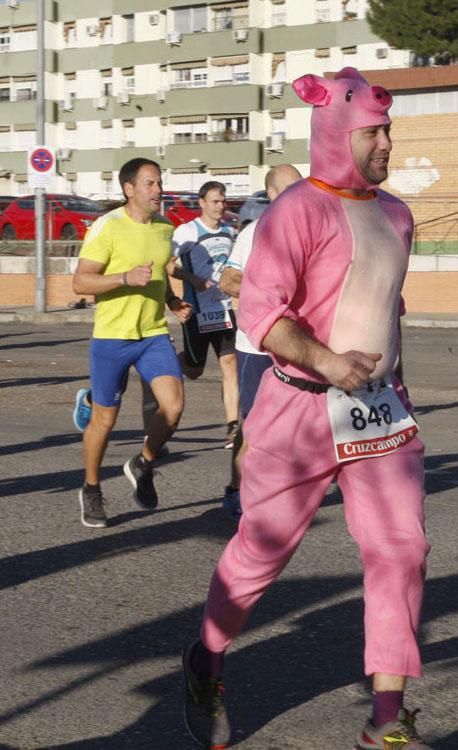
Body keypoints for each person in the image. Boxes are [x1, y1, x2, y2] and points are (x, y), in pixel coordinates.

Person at [181, 68, 432, 750]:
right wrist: (326, 361)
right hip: (298, 408)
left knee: (401, 549)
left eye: (386, 130)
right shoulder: (298, 212)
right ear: (335, 134)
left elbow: (385, 309)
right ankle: (206, 659)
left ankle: (386, 719)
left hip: (379, 413)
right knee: (262, 552)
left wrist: (393, 385)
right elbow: (262, 314)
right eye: (372, 132)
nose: (385, 143)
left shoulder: (398, 214)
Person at [73, 157, 190, 529]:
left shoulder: (163, 228)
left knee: (172, 408)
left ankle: (142, 462)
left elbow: (157, 273)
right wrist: (123, 277)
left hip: (152, 333)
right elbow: (81, 283)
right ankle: (91, 488)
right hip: (112, 337)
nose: (159, 190)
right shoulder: (106, 228)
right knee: (104, 422)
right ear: (130, 189)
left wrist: (172, 301)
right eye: (151, 184)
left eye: (159, 182)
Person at [219, 164, 302, 519]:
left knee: (295, 424)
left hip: (295, 344)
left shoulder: (306, 230)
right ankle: (236, 490)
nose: (301, 196)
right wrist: (270, 295)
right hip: (256, 346)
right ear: (271, 195)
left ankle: (280, 490)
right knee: (253, 426)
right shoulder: (255, 233)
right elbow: (228, 281)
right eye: (291, 189)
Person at [170, 181, 239, 449]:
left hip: (222, 310)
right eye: (215, 201)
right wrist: (194, 280)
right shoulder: (187, 232)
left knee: (230, 363)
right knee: (194, 370)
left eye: (223, 201)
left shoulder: (229, 232)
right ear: (201, 203)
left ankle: (233, 427)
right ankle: (169, 364)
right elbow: (168, 266)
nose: (221, 206)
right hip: (197, 310)